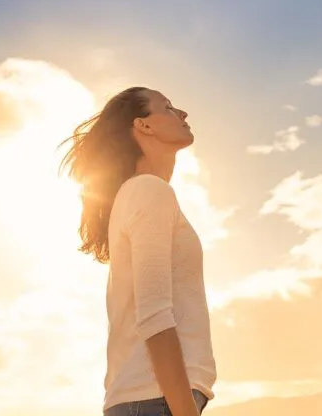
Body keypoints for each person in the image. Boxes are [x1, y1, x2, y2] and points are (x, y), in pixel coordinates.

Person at [59, 87, 216, 416]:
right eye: (169, 107)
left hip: (149, 399)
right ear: (143, 126)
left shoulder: (137, 194)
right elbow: (155, 314)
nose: (183, 114)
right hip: (157, 399)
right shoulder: (148, 190)